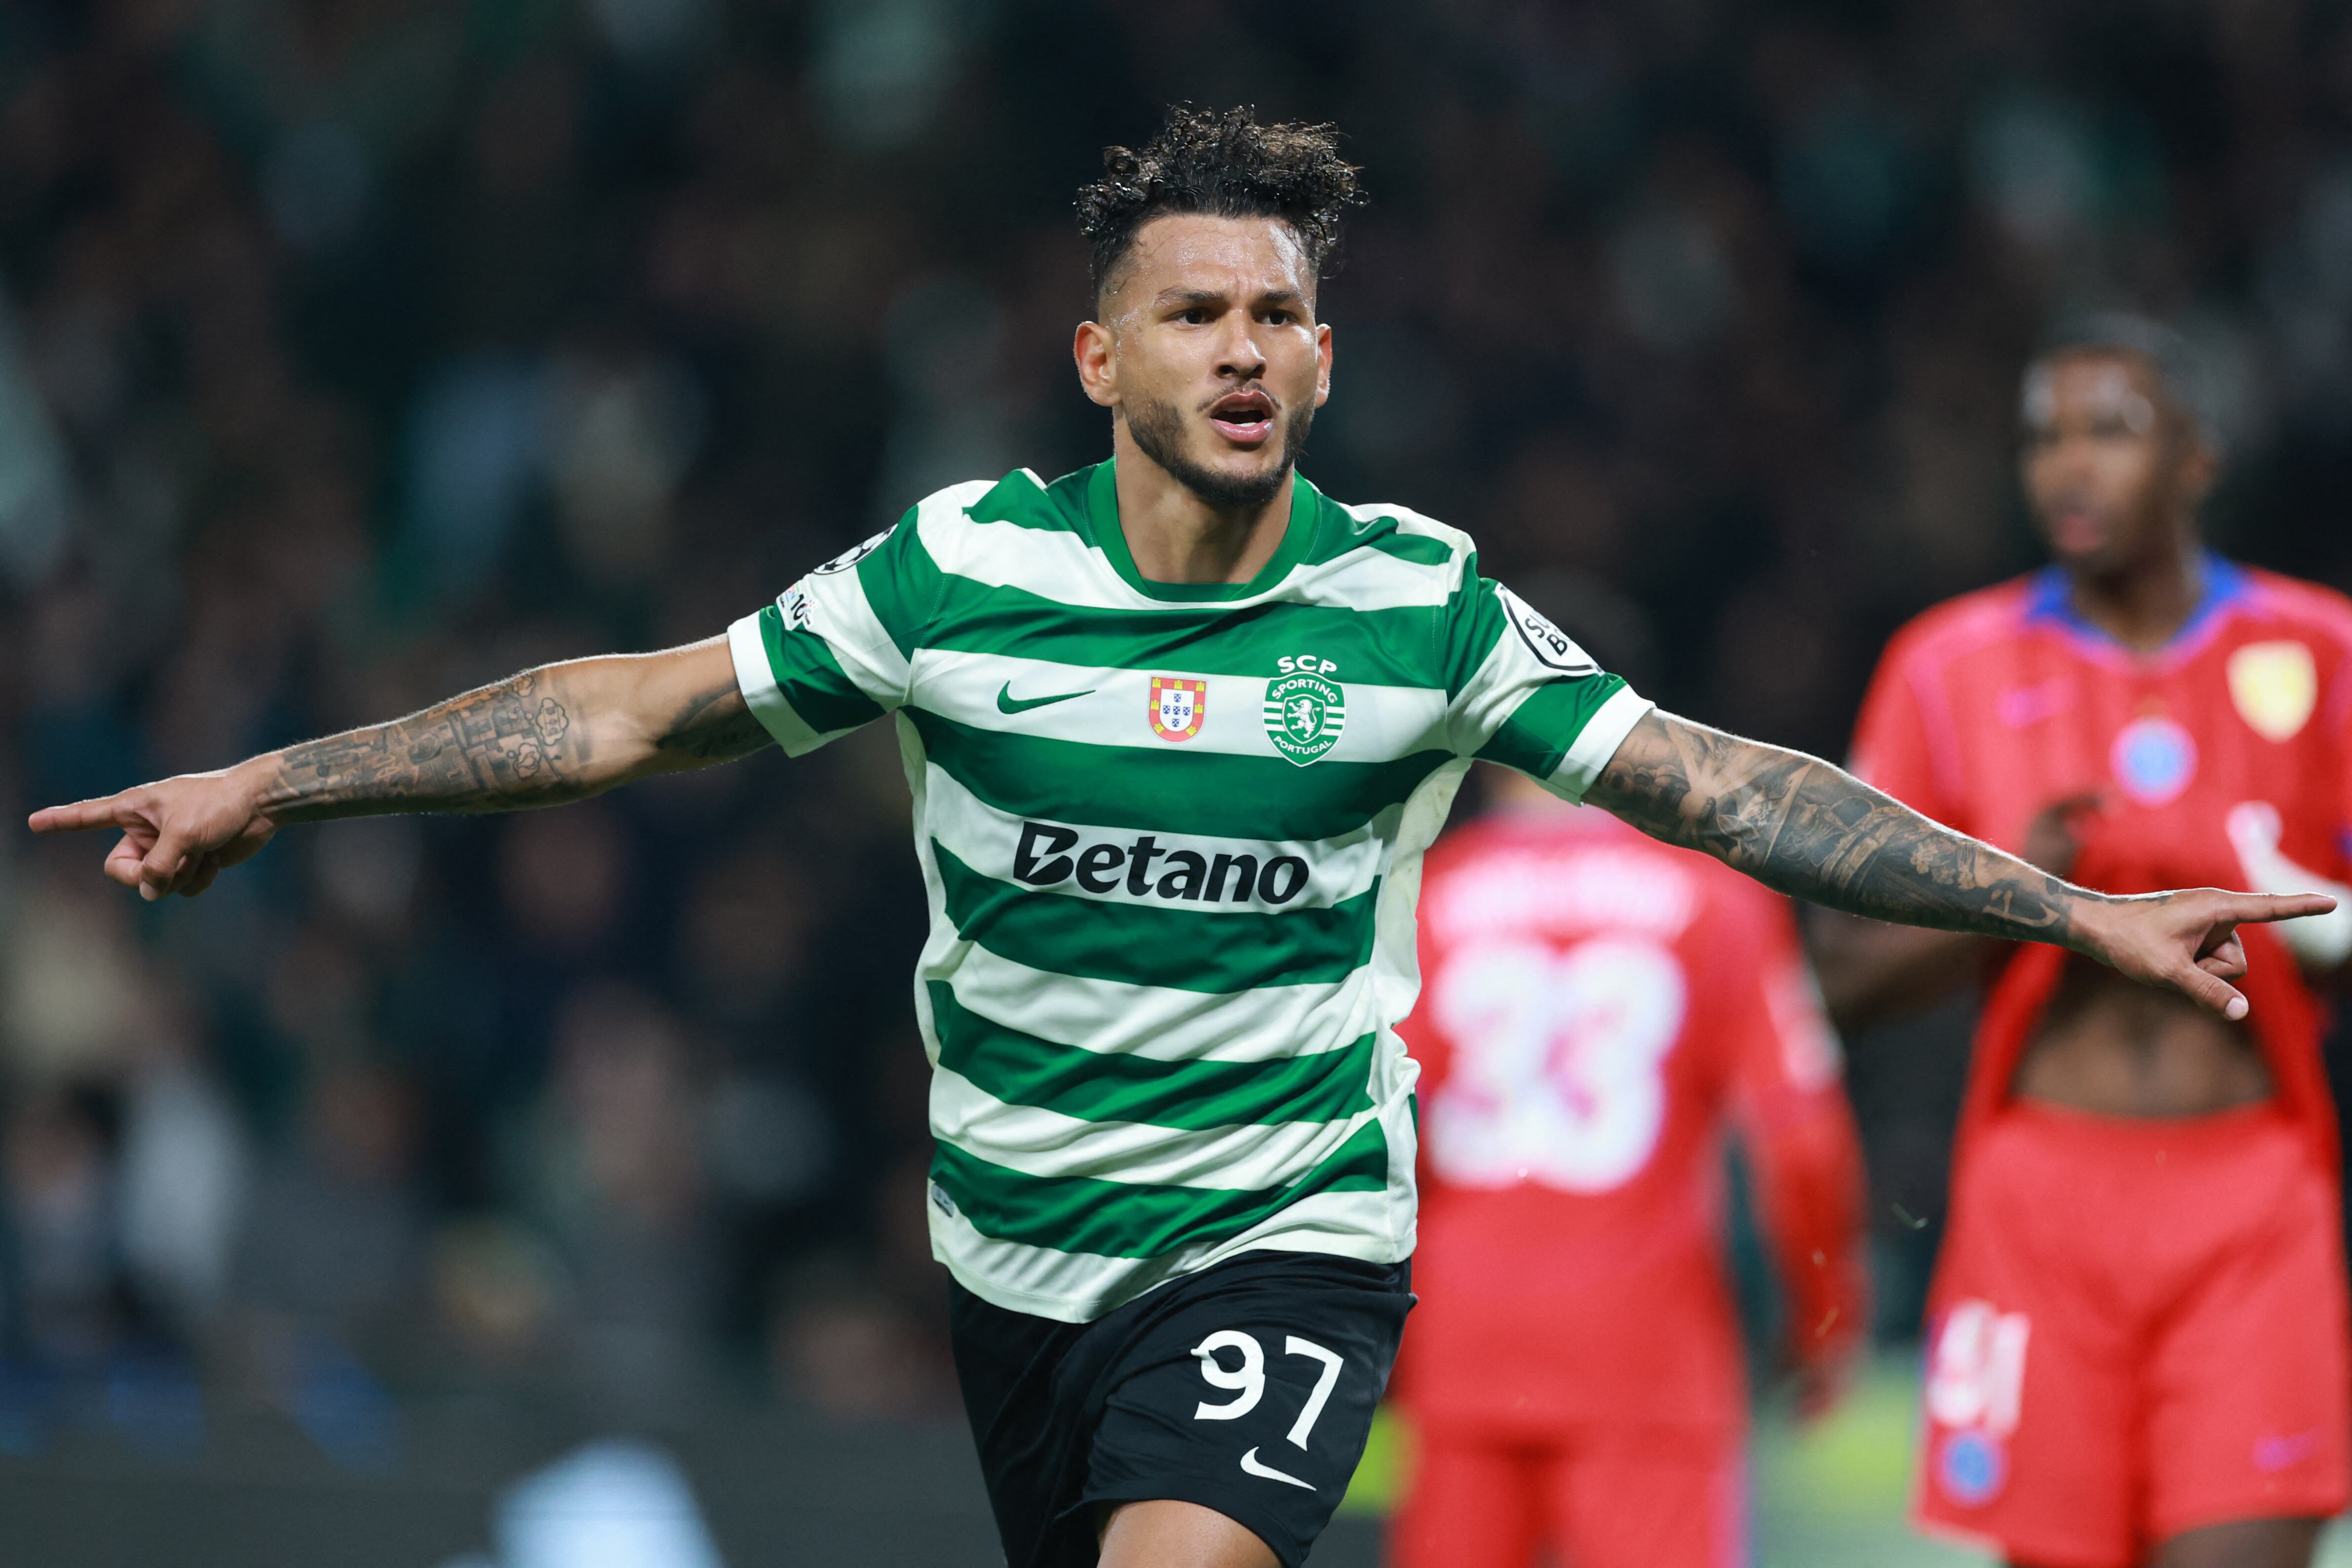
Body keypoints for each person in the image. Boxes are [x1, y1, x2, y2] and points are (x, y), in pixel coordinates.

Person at [26, 114, 2328, 1568]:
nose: (1243, 349)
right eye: (1193, 314)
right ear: (1095, 359)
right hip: (1017, 1260)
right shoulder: (951, 580)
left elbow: (1722, 785)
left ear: (1324, 364)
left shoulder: (1416, 601)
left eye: (1281, 318)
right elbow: (626, 714)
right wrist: (279, 777)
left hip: (1288, 1237)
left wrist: (2066, 906)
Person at [1815, 315, 2352, 1568]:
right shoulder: (1944, 666)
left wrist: (2335, 934)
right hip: (2038, 1206)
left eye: (2109, 430)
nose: (2067, 464)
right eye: (2042, 436)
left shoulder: (2324, 652)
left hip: (2251, 1199)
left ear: (2196, 456)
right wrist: (2013, 886)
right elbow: (1839, 978)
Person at [1388, 761, 1868, 1568]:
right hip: (1648, 1351)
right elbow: (1801, 1143)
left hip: (1462, 1342)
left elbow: (1376, 1137)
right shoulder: (1713, 899)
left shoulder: (1421, 899)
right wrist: (1824, 1320)